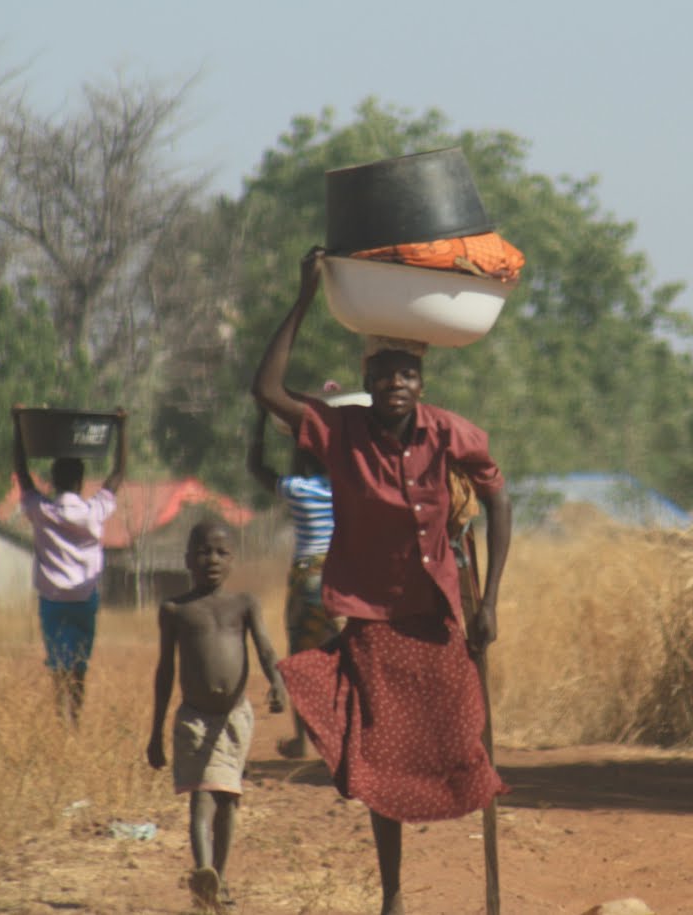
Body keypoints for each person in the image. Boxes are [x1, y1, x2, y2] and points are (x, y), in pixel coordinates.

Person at [251, 246, 513, 915]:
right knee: (379, 758)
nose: (397, 381)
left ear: (421, 382)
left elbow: (499, 499)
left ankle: (476, 882)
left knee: (461, 737)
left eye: (407, 372)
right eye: (385, 371)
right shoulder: (339, 433)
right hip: (370, 619)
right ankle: (393, 892)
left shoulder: (450, 433)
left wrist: (492, 604)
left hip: (437, 615)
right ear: (368, 378)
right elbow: (267, 391)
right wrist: (305, 295)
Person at [147, 520, 289, 912]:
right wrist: (155, 732)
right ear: (187, 560)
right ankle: (203, 871)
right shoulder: (175, 610)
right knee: (201, 797)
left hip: (233, 719)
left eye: (221, 552)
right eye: (203, 552)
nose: (211, 559)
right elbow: (165, 672)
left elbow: (264, 647)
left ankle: (218, 880)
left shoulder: (243, 604)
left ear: (232, 560)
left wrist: (276, 682)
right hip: (193, 719)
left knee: (229, 800)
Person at [12, 407, 127, 724]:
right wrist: (122, 428)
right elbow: (117, 476)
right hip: (83, 600)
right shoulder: (93, 513)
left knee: (57, 663)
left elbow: (21, 473)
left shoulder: (41, 511)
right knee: (79, 665)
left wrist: (18, 428)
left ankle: (60, 718)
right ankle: (74, 719)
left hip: (52, 602)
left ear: (53, 481)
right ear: (79, 481)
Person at [247, 404, 341, 758]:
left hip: (309, 580)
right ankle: (345, 741)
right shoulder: (348, 488)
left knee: (303, 660)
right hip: (344, 582)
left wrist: (260, 421)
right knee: (342, 661)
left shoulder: (298, 488)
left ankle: (303, 741)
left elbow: (257, 469)